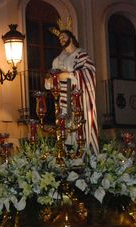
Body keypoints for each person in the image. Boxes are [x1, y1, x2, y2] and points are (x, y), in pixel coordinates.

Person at [45, 18, 99, 153]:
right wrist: (49, 81)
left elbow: (90, 72)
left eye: (63, 37)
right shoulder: (58, 59)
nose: (61, 39)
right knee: (65, 133)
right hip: (63, 101)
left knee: (78, 131)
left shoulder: (80, 55)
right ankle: (68, 156)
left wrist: (69, 75)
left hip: (78, 101)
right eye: (59, 38)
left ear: (71, 37)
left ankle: (81, 156)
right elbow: (51, 81)